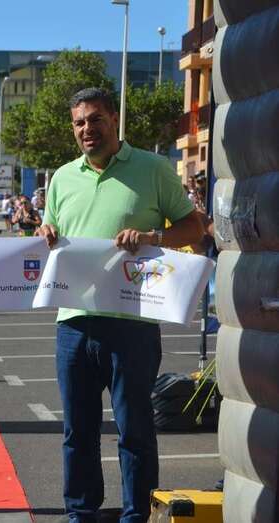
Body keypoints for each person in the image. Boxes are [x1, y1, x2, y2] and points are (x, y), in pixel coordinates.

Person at [36, 87, 203, 523]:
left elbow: (193, 227)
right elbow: (51, 232)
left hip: (132, 324)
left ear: (113, 119)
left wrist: (153, 238)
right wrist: (47, 232)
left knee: (135, 432)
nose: (86, 130)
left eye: (94, 119)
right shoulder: (62, 177)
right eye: (78, 123)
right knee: (78, 433)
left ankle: (135, 517)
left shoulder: (152, 169)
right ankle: (81, 514)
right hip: (73, 323)